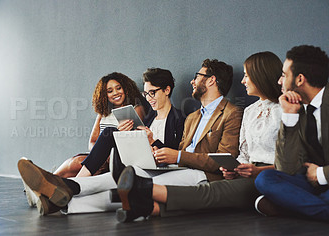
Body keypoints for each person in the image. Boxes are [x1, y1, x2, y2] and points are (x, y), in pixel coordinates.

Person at [115, 52, 283, 222]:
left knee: (209, 192)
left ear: (211, 80)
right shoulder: (198, 116)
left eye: (198, 76)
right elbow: (242, 154)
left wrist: (179, 156)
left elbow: (218, 156)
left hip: (215, 173)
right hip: (216, 171)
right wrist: (234, 168)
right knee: (137, 174)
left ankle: (143, 189)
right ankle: (147, 207)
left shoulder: (236, 112)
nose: (192, 81)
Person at [18, 68, 187, 215]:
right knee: (106, 135)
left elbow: (175, 154)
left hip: (154, 167)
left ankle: (57, 187)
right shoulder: (149, 118)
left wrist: (153, 141)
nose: (149, 98)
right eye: (146, 93)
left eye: (153, 92)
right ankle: (55, 190)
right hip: (134, 159)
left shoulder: (179, 119)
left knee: (96, 145)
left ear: (166, 90)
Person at [22, 72, 147, 208]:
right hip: (101, 158)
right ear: (105, 95)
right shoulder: (103, 113)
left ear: (126, 88)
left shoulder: (136, 108)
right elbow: (92, 142)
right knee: (73, 164)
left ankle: (45, 184)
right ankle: (45, 185)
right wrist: (100, 156)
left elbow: (137, 136)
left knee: (75, 163)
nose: (115, 93)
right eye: (109, 91)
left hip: (119, 157)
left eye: (118, 88)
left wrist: (122, 134)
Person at [254, 45, 329, 221]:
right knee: (265, 179)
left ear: (300, 79)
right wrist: (288, 116)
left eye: (284, 75)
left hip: (321, 177)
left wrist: (321, 175)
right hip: (311, 183)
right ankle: (314, 207)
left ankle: (292, 206)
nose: (280, 81)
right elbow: (286, 168)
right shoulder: (299, 110)